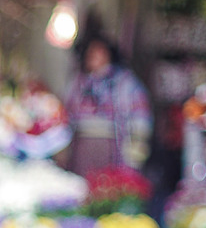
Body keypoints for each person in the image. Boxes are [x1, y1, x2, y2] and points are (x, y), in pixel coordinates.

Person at [62, 34, 152, 177]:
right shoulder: (78, 82)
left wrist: (137, 144)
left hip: (112, 145)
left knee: (109, 187)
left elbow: (140, 113)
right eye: (90, 52)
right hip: (83, 146)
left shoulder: (124, 82)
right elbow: (66, 114)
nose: (94, 56)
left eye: (99, 51)